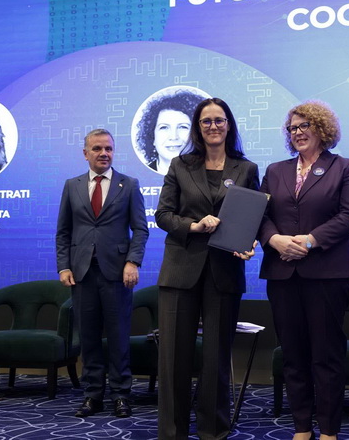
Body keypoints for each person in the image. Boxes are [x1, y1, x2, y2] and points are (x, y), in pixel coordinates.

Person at [155, 97, 260, 440]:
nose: (213, 126)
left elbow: (254, 216)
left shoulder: (246, 169)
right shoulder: (179, 165)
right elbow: (163, 215)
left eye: (219, 120)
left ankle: (213, 430)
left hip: (224, 271)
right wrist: (194, 226)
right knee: (174, 358)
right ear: (198, 128)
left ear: (229, 125)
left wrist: (250, 241)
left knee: (216, 358)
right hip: (180, 269)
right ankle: (173, 431)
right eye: (206, 121)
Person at [258, 101, 349, 440]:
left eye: (305, 126)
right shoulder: (275, 171)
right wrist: (274, 240)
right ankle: (302, 428)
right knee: (293, 355)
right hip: (282, 274)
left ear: (322, 129)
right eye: (293, 128)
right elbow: (261, 215)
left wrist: (309, 241)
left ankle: (329, 430)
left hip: (327, 274)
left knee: (326, 356)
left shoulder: (345, 167)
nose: (297, 132)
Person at [55, 129, 149, 418]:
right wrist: (64, 266)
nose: (104, 153)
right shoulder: (72, 186)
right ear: (86, 153)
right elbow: (63, 231)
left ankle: (121, 395)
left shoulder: (128, 184)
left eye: (108, 148)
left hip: (117, 273)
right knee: (89, 338)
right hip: (82, 273)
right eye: (97, 148)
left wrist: (132, 262)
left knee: (119, 337)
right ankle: (92, 395)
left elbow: (141, 229)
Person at [136, 87, 207, 175]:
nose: (173, 137)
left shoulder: (212, 175)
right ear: (152, 138)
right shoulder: (137, 177)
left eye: (183, 127)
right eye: (164, 127)